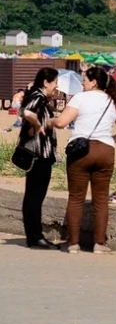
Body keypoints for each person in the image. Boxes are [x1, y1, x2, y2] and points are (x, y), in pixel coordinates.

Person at [52, 66, 116, 253]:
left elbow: (62, 122)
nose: (82, 83)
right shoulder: (113, 100)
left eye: (85, 80)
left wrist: (49, 121)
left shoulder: (80, 98)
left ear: (94, 82)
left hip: (80, 151)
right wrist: (109, 140)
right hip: (105, 151)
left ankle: (73, 244)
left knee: (76, 198)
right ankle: (99, 244)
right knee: (101, 199)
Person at [17, 67, 59, 249]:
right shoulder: (39, 97)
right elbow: (27, 113)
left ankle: (33, 236)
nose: (55, 86)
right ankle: (35, 237)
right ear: (46, 82)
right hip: (39, 154)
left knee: (32, 196)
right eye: (55, 82)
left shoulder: (36, 95)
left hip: (37, 154)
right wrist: (38, 125)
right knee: (35, 196)